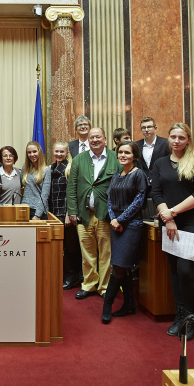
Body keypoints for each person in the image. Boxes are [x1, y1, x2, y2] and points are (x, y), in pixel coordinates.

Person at [151, 123, 194, 341]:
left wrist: (172, 213)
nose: (176, 141)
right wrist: (168, 219)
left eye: (181, 137)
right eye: (173, 137)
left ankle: (191, 318)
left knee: (186, 269)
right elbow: (156, 192)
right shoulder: (160, 163)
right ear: (168, 139)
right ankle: (180, 316)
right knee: (174, 270)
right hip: (168, 223)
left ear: (188, 140)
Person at [66, 127, 121, 299]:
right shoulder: (79, 159)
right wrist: (73, 210)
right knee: (87, 252)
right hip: (83, 214)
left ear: (105, 139)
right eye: (91, 138)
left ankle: (104, 287)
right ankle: (89, 285)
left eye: (98, 137)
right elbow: (72, 187)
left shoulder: (115, 158)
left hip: (105, 215)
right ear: (87, 141)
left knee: (106, 252)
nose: (95, 140)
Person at [103, 141, 149, 323]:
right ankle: (129, 303)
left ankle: (107, 303)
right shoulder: (116, 175)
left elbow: (139, 200)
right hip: (116, 225)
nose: (123, 155)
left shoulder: (139, 175)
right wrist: (114, 219)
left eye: (127, 153)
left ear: (134, 156)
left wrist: (120, 220)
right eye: (120, 152)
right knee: (122, 266)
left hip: (132, 225)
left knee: (119, 266)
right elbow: (109, 199)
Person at [48, 142, 81, 290]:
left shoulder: (69, 168)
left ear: (67, 153)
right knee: (60, 247)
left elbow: (72, 193)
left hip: (65, 212)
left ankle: (72, 275)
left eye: (62, 152)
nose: (59, 154)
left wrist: (69, 213)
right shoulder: (51, 168)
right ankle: (68, 274)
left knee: (69, 247)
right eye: (57, 151)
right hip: (54, 212)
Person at [21, 141, 51, 220]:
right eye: (29, 152)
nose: (32, 155)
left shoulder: (46, 170)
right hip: (24, 208)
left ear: (39, 151)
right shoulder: (25, 168)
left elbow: (45, 195)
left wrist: (38, 215)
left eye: (34, 151)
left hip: (38, 211)